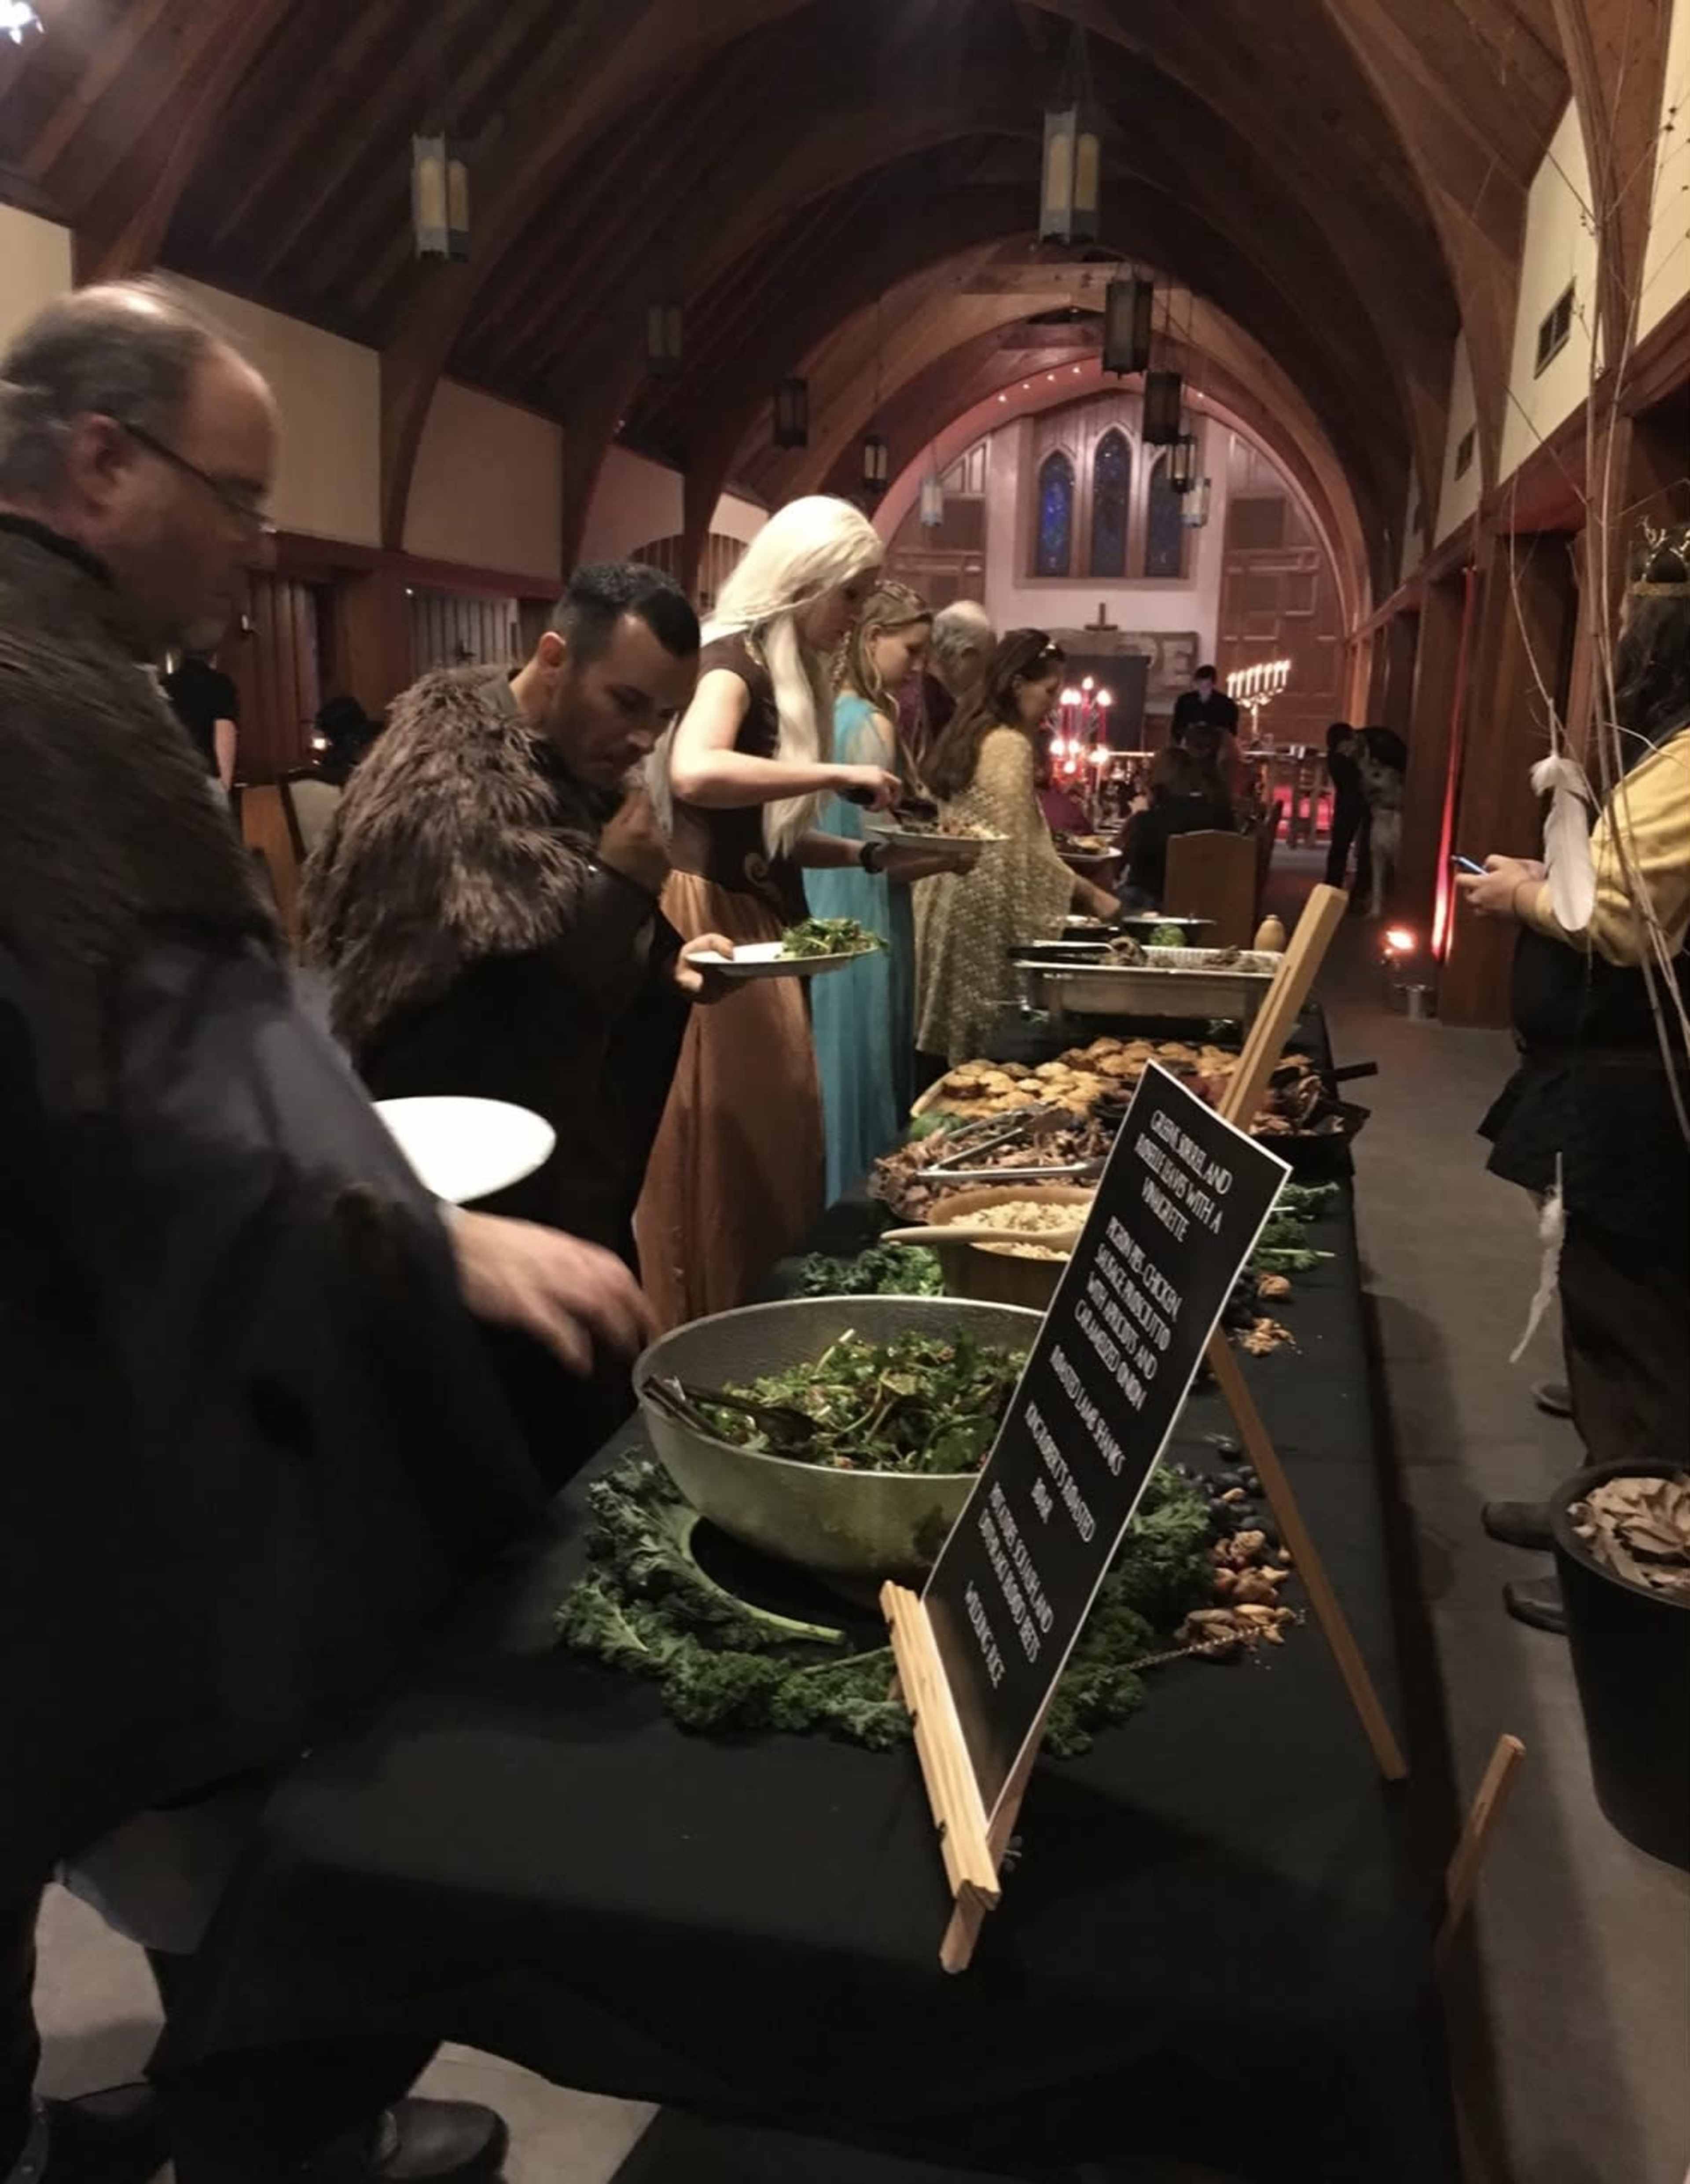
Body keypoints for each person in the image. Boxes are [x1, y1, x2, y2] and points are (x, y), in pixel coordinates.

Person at [0, 279, 648, 2183]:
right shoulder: (45, 702)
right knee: (231, 1778)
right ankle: (271, 2139)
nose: (255, 550)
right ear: (104, 465)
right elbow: (190, 1059)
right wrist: (431, 1246)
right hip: (62, 1390)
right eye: (239, 496)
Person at [302, 562, 729, 1465]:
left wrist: (667, 959)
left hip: (563, 1160)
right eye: (628, 703)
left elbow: (573, 938)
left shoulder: (571, 756)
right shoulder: (444, 782)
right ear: (553, 656)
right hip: (464, 1177)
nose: (645, 738)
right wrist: (621, 884)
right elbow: (487, 1013)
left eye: (664, 716)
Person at [1459, 533, 1690, 1634]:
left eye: (1645, 614)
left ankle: (1625, 1568)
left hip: (1644, 1093)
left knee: (1633, 1329)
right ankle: (1592, 1507)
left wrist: (1513, 895)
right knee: (1610, 1315)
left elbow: (1614, 914)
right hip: (1618, 1080)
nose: (1626, 636)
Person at [638, 495, 918, 1327]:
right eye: (853, 595)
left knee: (780, 1125)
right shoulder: (733, 657)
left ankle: (751, 1309)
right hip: (709, 913)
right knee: (733, 1138)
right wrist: (833, 779)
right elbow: (695, 772)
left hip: (756, 909)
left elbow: (770, 840)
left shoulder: (785, 668)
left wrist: (867, 852)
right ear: (805, 580)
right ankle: (711, 1316)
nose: (857, 616)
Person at [807, 581, 972, 1198]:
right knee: (864, 1084)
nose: (917, 669)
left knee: (833, 1082)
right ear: (872, 639)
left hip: (826, 909)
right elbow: (877, 860)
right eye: (911, 650)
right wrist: (951, 859)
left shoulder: (826, 714)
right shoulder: (872, 723)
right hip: (866, 915)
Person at [915, 629, 1121, 1068]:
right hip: (983, 906)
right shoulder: (1008, 744)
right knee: (983, 1048)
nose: (1052, 704)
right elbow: (1017, 845)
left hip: (946, 895)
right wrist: (1092, 894)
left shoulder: (972, 730)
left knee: (944, 1049)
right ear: (1017, 685)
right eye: (1049, 691)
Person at [1121, 744, 1234, 907]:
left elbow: (1134, 869)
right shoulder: (1221, 814)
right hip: (1217, 903)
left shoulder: (1149, 821)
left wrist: (1135, 819)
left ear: (1155, 780)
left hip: (1155, 907)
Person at [898, 596, 993, 773]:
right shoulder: (937, 707)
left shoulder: (906, 688)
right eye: (986, 662)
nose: (984, 674)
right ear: (967, 657)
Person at [162, 645, 237, 789]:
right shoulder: (220, 684)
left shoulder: (166, 685)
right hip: (206, 775)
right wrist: (224, 786)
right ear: (214, 656)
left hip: (173, 774)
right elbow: (224, 729)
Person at [1356, 723, 1406, 917]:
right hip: (1379, 816)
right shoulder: (1377, 769)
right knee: (1377, 863)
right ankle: (1376, 906)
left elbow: (1378, 787)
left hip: (1395, 817)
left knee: (1396, 864)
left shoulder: (1392, 772)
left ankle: (1395, 906)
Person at [1323, 719, 1373, 899]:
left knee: (1340, 847)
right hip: (1352, 804)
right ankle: (1339, 884)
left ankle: (1333, 883)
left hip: (1345, 805)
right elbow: (1361, 779)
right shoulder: (1342, 760)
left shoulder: (1335, 757)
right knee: (1343, 846)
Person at [1170, 661, 1239, 746]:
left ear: (1213, 684)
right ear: (1196, 683)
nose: (1203, 690)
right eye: (1200, 685)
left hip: (1216, 747)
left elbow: (1231, 731)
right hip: (1190, 745)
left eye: (1207, 686)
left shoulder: (1226, 704)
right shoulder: (1185, 701)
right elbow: (1177, 727)